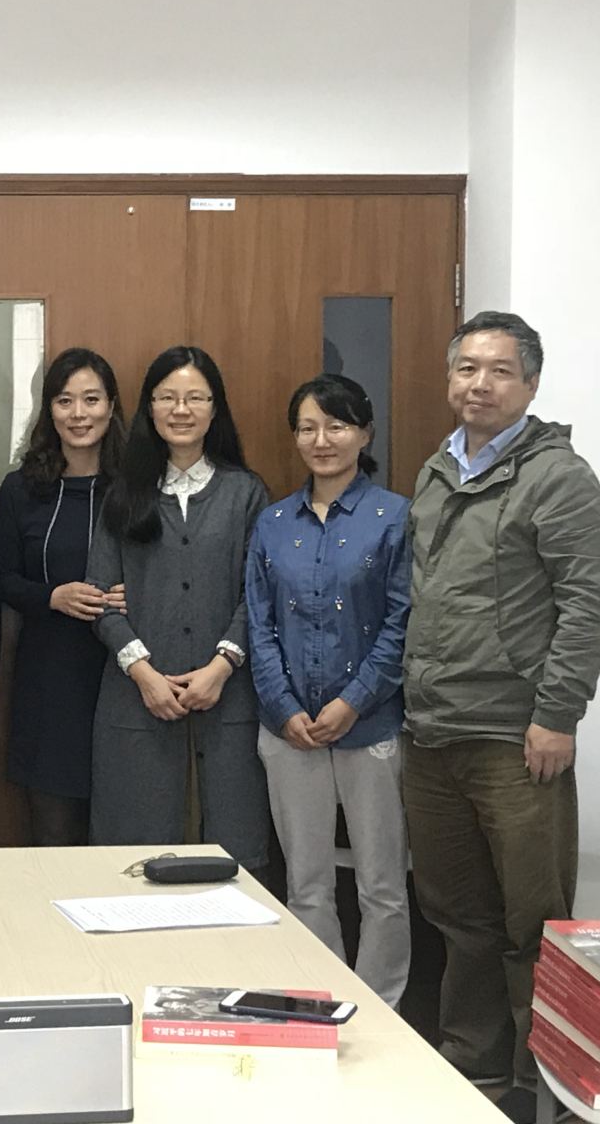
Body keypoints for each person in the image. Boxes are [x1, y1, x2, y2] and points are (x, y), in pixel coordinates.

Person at [402, 312, 600, 1121]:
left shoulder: (558, 477)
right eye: (467, 368)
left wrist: (557, 714)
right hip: (433, 732)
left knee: (535, 923)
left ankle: (547, 1089)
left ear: (529, 383)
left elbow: (590, 606)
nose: (479, 384)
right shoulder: (435, 471)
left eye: (498, 371)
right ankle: (475, 1069)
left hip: (515, 737)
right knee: (459, 917)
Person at [245, 374, 411, 1009]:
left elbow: (402, 622)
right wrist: (283, 706)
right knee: (306, 883)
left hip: (370, 726)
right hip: (288, 732)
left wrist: (353, 701)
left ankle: (382, 1007)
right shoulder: (272, 523)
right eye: (308, 428)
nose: (322, 440)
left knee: (382, 885)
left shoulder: (395, 517)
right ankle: (324, 1002)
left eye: (336, 426)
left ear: (365, 434)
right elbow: (258, 623)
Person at [87, 345, 270, 871]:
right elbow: (102, 598)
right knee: (133, 857)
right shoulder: (124, 494)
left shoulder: (245, 493)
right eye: (167, 397)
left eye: (195, 398)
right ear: (149, 408)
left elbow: (258, 595)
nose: (181, 409)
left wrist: (221, 666)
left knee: (233, 854)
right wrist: (144, 674)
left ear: (215, 409)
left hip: (228, 698)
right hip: (134, 699)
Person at [0, 347, 126, 845]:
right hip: (50, 675)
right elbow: (0, 578)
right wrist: (52, 597)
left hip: (126, 672)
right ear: (49, 409)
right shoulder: (22, 489)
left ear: (111, 406)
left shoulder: (138, 487)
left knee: (125, 829)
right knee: (54, 831)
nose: (78, 413)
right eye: (65, 400)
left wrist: (140, 595)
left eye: (91, 399)